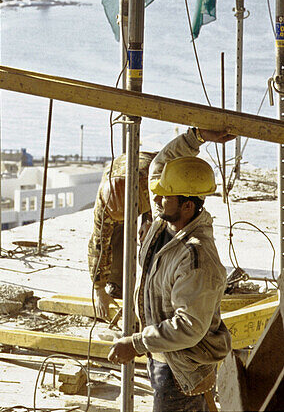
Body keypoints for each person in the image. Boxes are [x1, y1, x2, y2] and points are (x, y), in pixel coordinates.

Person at [108, 127, 235, 412]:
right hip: (162, 357)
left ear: (187, 206)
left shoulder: (196, 258)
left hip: (180, 370)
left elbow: (189, 326)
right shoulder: (166, 223)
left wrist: (136, 343)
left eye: (165, 197)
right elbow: (160, 167)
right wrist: (197, 137)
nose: (156, 199)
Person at [87, 149, 153, 318]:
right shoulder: (104, 208)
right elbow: (98, 246)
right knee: (113, 235)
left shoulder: (149, 183)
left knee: (160, 236)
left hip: (148, 171)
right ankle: (118, 284)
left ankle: (158, 284)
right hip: (117, 174)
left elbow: (165, 202)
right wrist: (99, 289)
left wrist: (149, 220)